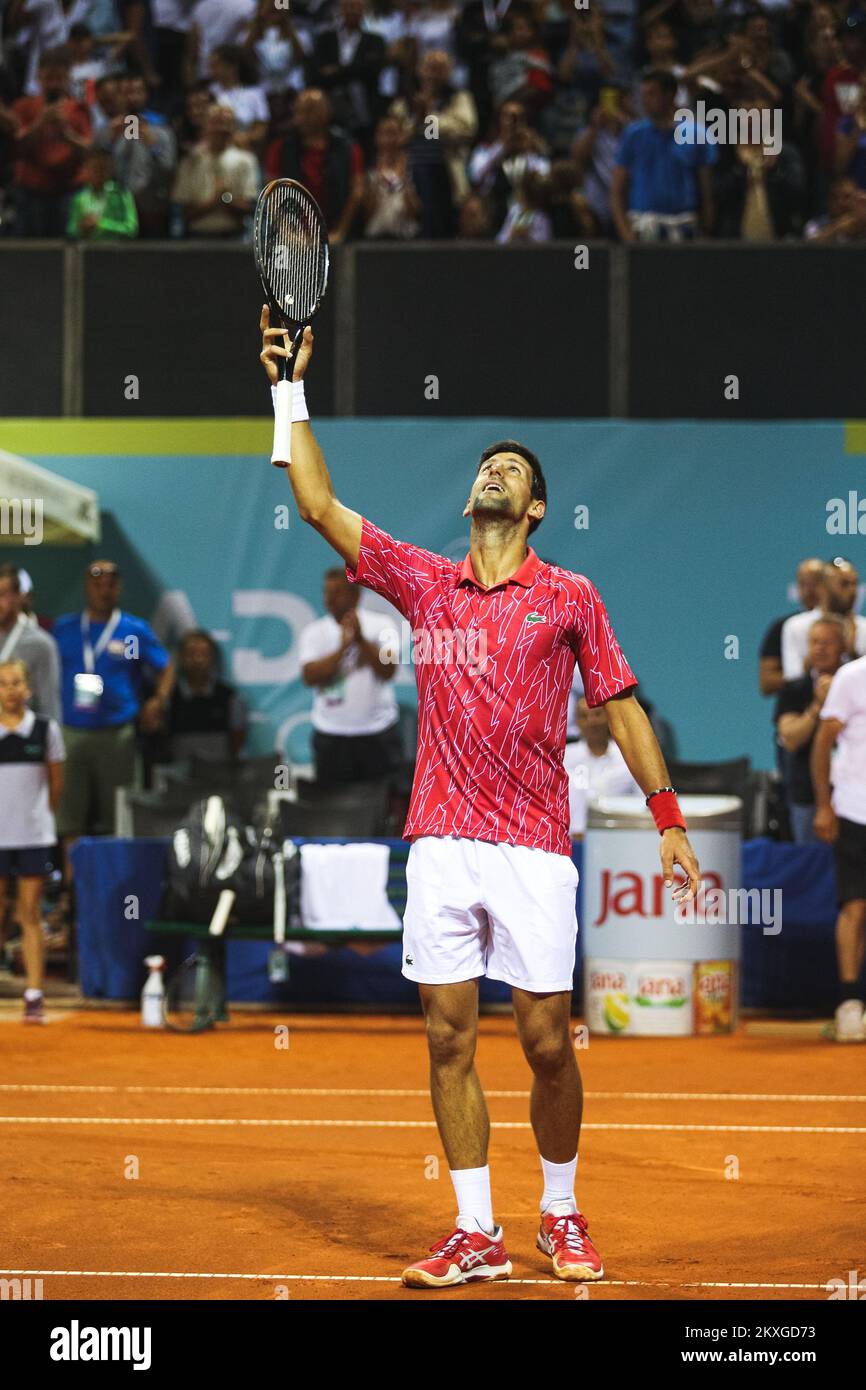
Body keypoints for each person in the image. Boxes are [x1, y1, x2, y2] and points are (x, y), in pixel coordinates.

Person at [259, 306, 700, 1288]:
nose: (494, 470)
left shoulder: (570, 596)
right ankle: (474, 1231)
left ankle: (559, 1209)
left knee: (545, 1040)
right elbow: (319, 505)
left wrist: (666, 817)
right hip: (442, 841)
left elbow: (621, 708)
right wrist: (287, 383)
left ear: (535, 508)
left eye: (515, 469)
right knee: (447, 1035)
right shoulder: (423, 584)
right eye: (486, 464)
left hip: (535, 843)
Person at [53, 560, 172, 852]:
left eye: (110, 585)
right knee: (70, 817)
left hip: (118, 733)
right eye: (97, 585)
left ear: (119, 589)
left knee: (118, 814)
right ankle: (74, 892)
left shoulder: (133, 630)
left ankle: (115, 889)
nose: (104, 591)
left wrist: (157, 701)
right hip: (71, 731)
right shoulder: (65, 628)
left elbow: (166, 666)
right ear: (86, 588)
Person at [0, 658, 65, 1025]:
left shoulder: (45, 730)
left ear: (29, 689)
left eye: (16, 683)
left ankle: (34, 993)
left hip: (31, 837)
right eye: (4, 684)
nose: (10, 690)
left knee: (29, 912)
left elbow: (56, 786)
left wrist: (39, 821)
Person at [299, 567, 401, 787]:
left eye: (337, 593)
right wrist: (342, 649)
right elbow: (309, 677)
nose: (330, 599)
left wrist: (361, 640)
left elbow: (389, 669)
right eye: (326, 593)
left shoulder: (383, 625)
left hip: (377, 735)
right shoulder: (314, 633)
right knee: (332, 810)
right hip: (331, 736)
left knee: (381, 808)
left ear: (356, 595)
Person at [812, 652, 866, 1041]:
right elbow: (822, 742)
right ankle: (849, 1006)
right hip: (854, 809)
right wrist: (824, 804)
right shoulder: (851, 677)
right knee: (855, 907)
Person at [611, 66, 716, 242]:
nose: (645, 101)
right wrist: (626, 234)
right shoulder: (633, 135)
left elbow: (707, 190)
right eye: (643, 95)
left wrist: (706, 230)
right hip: (644, 228)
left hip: (685, 229)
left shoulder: (697, 134)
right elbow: (617, 190)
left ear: (669, 95)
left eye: (651, 94)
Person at [775, 614, 846, 843]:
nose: (820, 648)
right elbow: (791, 739)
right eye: (814, 642)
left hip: (854, 795)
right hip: (807, 798)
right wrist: (818, 706)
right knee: (810, 869)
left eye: (827, 642)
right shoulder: (795, 689)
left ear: (843, 646)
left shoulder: (858, 684)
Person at [264, 88, 364, 244]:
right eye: (304, 110)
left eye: (314, 109)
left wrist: (339, 232)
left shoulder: (347, 148)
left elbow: (357, 191)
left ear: (328, 112)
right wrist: (287, 233)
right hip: (291, 239)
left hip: (337, 235)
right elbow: (272, 194)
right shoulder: (281, 147)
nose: (309, 116)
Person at [12, 45, 92, 236]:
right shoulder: (23, 106)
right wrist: (40, 123)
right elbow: (15, 148)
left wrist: (66, 133)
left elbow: (89, 152)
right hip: (31, 191)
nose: (54, 85)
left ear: (68, 78)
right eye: (49, 79)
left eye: (59, 79)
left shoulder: (80, 109)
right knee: (31, 253)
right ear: (38, 77)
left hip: (68, 190)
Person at [307, 0, 386, 150]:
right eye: (348, 7)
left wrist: (336, 70)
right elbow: (317, 74)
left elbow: (372, 71)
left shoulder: (375, 40)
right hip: (331, 106)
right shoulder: (325, 39)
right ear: (340, 10)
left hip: (363, 107)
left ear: (363, 12)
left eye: (356, 7)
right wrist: (355, 69)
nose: (352, 11)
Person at [171, 102, 258, 237]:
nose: (221, 129)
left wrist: (224, 199)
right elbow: (186, 212)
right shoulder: (190, 161)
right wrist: (217, 200)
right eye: (216, 123)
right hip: (197, 237)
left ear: (234, 127)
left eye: (226, 123)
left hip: (234, 237)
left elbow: (249, 208)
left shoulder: (246, 160)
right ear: (206, 126)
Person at [161, 629, 247, 762]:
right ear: (181, 658)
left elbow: (238, 736)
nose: (197, 660)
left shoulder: (229, 697)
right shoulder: (169, 697)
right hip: (179, 774)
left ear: (212, 658)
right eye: (191, 654)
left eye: (203, 654)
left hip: (219, 773)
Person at [564, 695, 642, 839]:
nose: (591, 721)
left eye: (597, 714)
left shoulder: (629, 757)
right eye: (583, 716)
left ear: (609, 717)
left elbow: (642, 804)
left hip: (620, 836)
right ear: (577, 722)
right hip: (572, 840)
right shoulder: (564, 758)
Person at [782, 557, 866, 679]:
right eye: (844, 584)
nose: (853, 591)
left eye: (855, 584)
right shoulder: (796, 626)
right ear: (823, 588)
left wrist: (852, 652)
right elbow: (792, 680)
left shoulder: (864, 628)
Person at [0, 565, 61, 720]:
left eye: (1, 594)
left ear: (18, 597)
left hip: (20, 739)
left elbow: (49, 707)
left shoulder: (40, 644)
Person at [759, 556, 824, 696]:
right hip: (797, 709)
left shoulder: (845, 624)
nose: (808, 590)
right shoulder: (783, 627)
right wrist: (804, 675)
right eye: (803, 584)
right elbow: (767, 683)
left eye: (815, 583)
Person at [362, 113, 421, 238]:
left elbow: (417, 211)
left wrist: (405, 181)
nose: (387, 140)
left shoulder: (414, 166)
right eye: (382, 134)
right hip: (375, 237)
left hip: (406, 237)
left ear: (403, 136)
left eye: (392, 133)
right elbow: (366, 213)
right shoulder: (369, 168)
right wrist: (377, 179)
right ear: (376, 137)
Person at [65, 144, 138, 237]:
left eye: (104, 168)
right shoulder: (79, 198)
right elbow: (71, 231)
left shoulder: (121, 194)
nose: (99, 173)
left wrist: (101, 224)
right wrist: (81, 228)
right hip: (87, 249)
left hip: (114, 250)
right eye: (95, 168)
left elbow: (131, 229)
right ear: (86, 169)